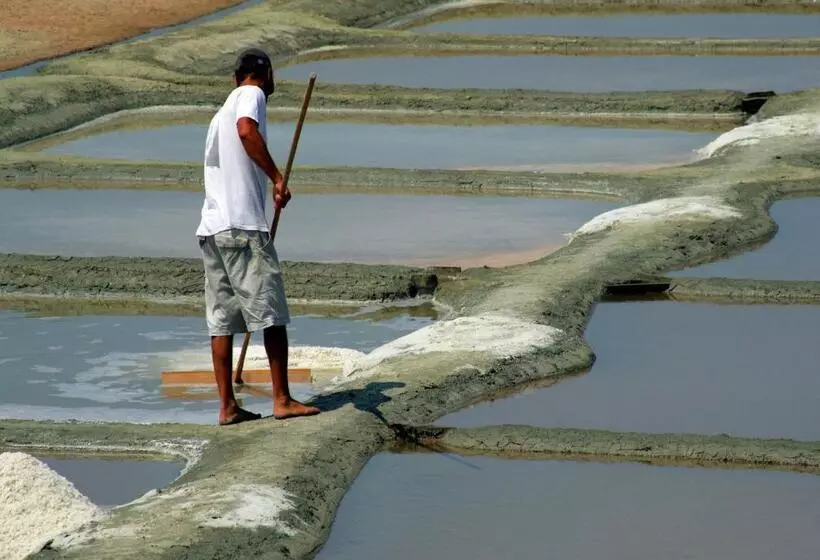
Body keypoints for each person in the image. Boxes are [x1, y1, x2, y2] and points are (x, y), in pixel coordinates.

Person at [195, 47, 320, 425]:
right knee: (271, 314)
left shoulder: (218, 114)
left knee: (222, 321)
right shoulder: (252, 95)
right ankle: (282, 400)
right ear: (263, 75)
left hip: (213, 229)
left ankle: (227, 407)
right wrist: (277, 178)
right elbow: (247, 131)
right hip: (243, 227)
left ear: (236, 75)